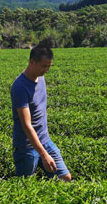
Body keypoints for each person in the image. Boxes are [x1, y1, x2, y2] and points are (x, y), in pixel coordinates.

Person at [10, 44, 71, 181]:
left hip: (45, 140)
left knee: (65, 177)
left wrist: (45, 151)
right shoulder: (20, 87)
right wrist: (44, 155)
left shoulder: (40, 77)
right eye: (44, 66)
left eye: (49, 66)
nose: (47, 70)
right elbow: (26, 125)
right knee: (25, 186)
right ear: (32, 62)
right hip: (26, 146)